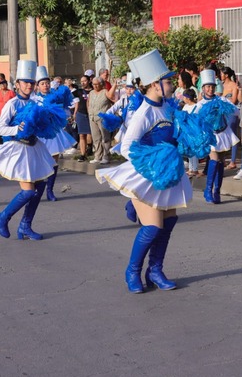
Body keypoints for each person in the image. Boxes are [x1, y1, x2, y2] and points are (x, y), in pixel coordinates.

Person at [95, 49, 209, 293]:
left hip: (169, 174)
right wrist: (153, 161)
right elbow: (126, 147)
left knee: (168, 224)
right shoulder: (143, 114)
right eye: (168, 81)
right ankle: (133, 271)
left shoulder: (168, 108)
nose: (171, 84)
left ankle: (155, 270)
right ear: (155, 85)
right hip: (147, 176)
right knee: (152, 227)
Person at [0, 60, 61, 240]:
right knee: (27, 191)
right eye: (25, 82)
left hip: (35, 148)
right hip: (19, 149)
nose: (29, 86)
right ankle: (3, 217)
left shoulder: (34, 102)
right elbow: (1, 129)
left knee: (40, 186)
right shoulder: (12, 104)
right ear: (17, 84)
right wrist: (18, 129)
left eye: (31, 82)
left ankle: (25, 226)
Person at [32, 65, 77, 201]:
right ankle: (36, 188)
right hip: (39, 133)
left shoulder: (56, 97)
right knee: (39, 161)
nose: (45, 86)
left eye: (46, 83)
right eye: (42, 83)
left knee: (53, 162)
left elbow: (66, 107)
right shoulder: (34, 99)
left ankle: (50, 191)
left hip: (54, 132)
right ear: (37, 86)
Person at [197, 69, 239, 204]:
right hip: (210, 135)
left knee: (221, 162)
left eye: (212, 86)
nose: (210, 89)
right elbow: (195, 120)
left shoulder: (221, 99)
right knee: (214, 160)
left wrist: (225, 109)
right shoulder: (200, 104)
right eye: (208, 86)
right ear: (203, 88)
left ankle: (217, 191)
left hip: (223, 132)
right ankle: (208, 190)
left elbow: (235, 110)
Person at [88, 76, 114, 165]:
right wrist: (89, 112)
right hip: (92, 117)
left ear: (101, 84)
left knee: (105, 137)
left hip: (102, 117)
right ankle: (97, 156)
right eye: (93, 84)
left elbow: (112, 99)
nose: (94, 86)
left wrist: (114, 86)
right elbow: (88, 102)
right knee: (96, 138)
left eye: (96, 84)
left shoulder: (105, 92)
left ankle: (106, 156)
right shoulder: (91, 93)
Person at [221, 67, 242, 170]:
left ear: (226, 75)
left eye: (221, 73)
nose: (220, 75)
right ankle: (223, 159)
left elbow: (234, 100)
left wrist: (223, 99)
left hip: (231, 113)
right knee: (222, 135)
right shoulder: (220, 85)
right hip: (222, 113)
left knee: (233, 136)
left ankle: (233, 161)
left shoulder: (233, 85)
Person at [72, 75, 93, 161]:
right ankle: (82, 154)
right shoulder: (78, 91)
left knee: (91, 134)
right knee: (82, 135)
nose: (83, 83)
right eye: (81, 81)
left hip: (91, 114)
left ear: (89, 81)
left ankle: (90, 147)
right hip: (81, 114)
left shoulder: (93, 91)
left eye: (84, 81)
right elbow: (68, 95)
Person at [181, 88, 201, 177]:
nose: (183, 99)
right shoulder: (185, 106)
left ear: (188, 98)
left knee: (194, 150)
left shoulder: (197, 107)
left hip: (194, 131)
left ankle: (195, 169)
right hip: (186, 131)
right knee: (189, 150)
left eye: (184, 97)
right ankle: (190, 168)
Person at [0, 79, 15, 145]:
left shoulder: (11, 92)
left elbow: (15, 102)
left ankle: (7, 141)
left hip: (8, 113)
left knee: (8, 127)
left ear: (7, 85)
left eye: (4, 84)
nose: (3, 85)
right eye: (1, 84)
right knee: (0, 127)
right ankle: (0, 141)